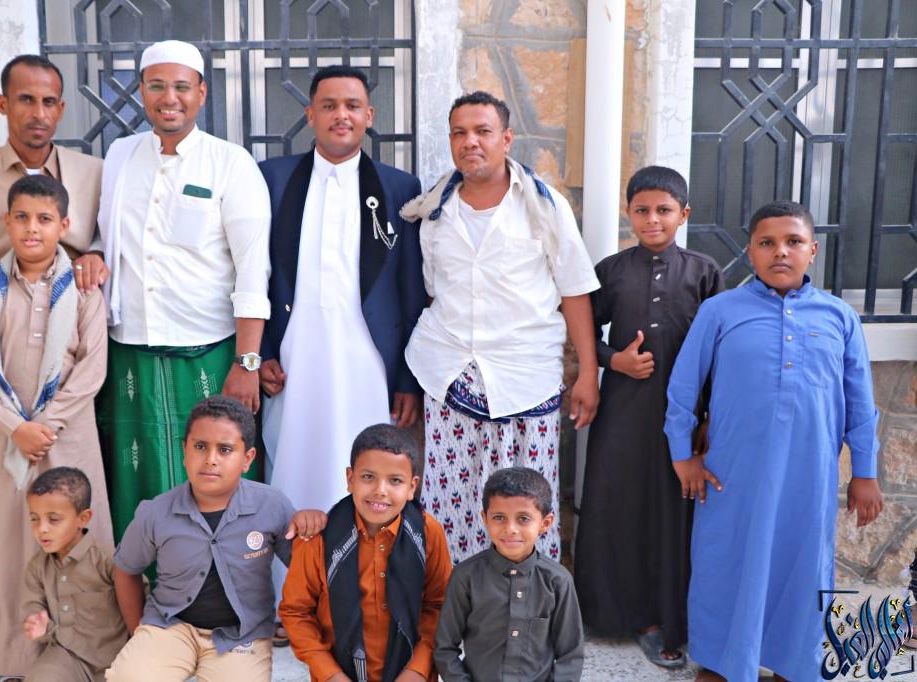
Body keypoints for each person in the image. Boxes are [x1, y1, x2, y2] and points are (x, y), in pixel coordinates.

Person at [664, 200, 883, 682]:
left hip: (810, 472)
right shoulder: (720, 311)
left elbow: (860, 400)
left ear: (812, 250)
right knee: (725, 560)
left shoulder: (839, 317)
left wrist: (865, 472)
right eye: (767, 243)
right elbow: (682, 389)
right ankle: (722, 661)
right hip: (732, 471)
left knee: (802, 565)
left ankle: (794, 661)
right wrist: (683, 456)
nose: (780, 251)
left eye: (793, 242)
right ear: (750, 252)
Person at [401, 91, 600, 563]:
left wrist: (588, 373)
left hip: (524, 380)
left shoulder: (543, 207)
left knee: (523, 512)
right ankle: (453, 601)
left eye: (483, 131)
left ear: (506, 139)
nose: (470, 141)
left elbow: (574, 291)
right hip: (450, 376)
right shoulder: (434, 211)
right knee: (452, 509)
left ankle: (525, 603)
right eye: (459, 133)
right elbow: (433, 292)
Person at [97, 40, 272, 540]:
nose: (168, 98)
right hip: (130, 350)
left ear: (201, 93)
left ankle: (223, 580)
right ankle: (144, 576)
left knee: (215, 472)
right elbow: (103, 235)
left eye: (180, 87)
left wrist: (247, 362)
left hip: (207, 352)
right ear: (141, 91)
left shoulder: (230, 163)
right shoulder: (120, 155)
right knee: (135, 474)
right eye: (156, 86)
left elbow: (252, 269)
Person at [0, 175, 112, 676]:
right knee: (7, 541)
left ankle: (88, 653)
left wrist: (46, 423)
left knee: (75, 536)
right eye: (21, 217)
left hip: (67, 435)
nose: (31, 229)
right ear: (6, 222)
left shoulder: (83, 290)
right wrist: (14, 425)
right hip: (6, 438)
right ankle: (10, 654)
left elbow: (92, 369)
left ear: (64, 226)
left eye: (44, 219)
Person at [574, 166, 724, 667]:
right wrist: (614, 361)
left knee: (672, 511)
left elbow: (722, 347)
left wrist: (709, 417)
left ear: (684, 214)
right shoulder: (612, 270)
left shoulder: (704, 272)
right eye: (642, 210)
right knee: (616, 503)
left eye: (664, 210)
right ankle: (609, 614)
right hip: (623, 411)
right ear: (628, 213)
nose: (652, 219)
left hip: (683, 416)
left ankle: (666, 618)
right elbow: (582, 332)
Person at [258, 64, 424, 513]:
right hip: (294, 355)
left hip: (368, 359)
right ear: (310, 114)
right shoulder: (271, 179)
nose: (341, 115)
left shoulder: (399, 188)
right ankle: (293, 557)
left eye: (352, 106)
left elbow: (411, 289)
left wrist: (407, 379)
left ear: (369, 115)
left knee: (369, 462)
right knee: (292, 458)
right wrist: (263, 352)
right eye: (329, 106)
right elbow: (254, 274)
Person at [107, 395, 327, 682]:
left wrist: (312, 526)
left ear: (247, 459)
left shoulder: (271, 505)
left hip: (242, 635)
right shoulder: (156, 512)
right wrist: (140, 631)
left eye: (225, 449)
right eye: (200, 446)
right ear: (184, 450)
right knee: (130, 676)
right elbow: (126, 569)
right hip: (170, 627)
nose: (210, 459)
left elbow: (307, 567)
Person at [279, 424, 453, 682]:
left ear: (412, 486)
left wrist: (418, 669)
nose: (380, 490)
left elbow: (439, 605)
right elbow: (296, 612)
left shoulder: (427, 533)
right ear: (350, 479)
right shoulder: (317, 538)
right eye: (368, 477)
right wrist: (330, 674)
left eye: (395, 480)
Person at [0, 54, 106, 308]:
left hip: (75, 314)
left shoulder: (93, 172)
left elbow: (109, 236)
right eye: (26, 100)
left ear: (60, 109)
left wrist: (96, 254)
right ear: (3, 104)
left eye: (49, 102)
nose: (39, 114)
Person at [435, 466, 584, 681]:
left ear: (545, 523)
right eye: (499, 517)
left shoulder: (558, 581)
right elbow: (445, 648)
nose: (510, 528)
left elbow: (570, 655)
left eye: (523, 518)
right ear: (485, 518)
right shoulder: (465, 577)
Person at [22, 467, 128, 682]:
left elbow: (140, 603)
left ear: (83, 518)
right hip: (67, 655)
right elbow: (33, 606)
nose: (42, 529)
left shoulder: (109, 560)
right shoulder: (37, 567)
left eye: (53, 519)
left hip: (116, 657)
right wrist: (37, 622)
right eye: (34, 519)